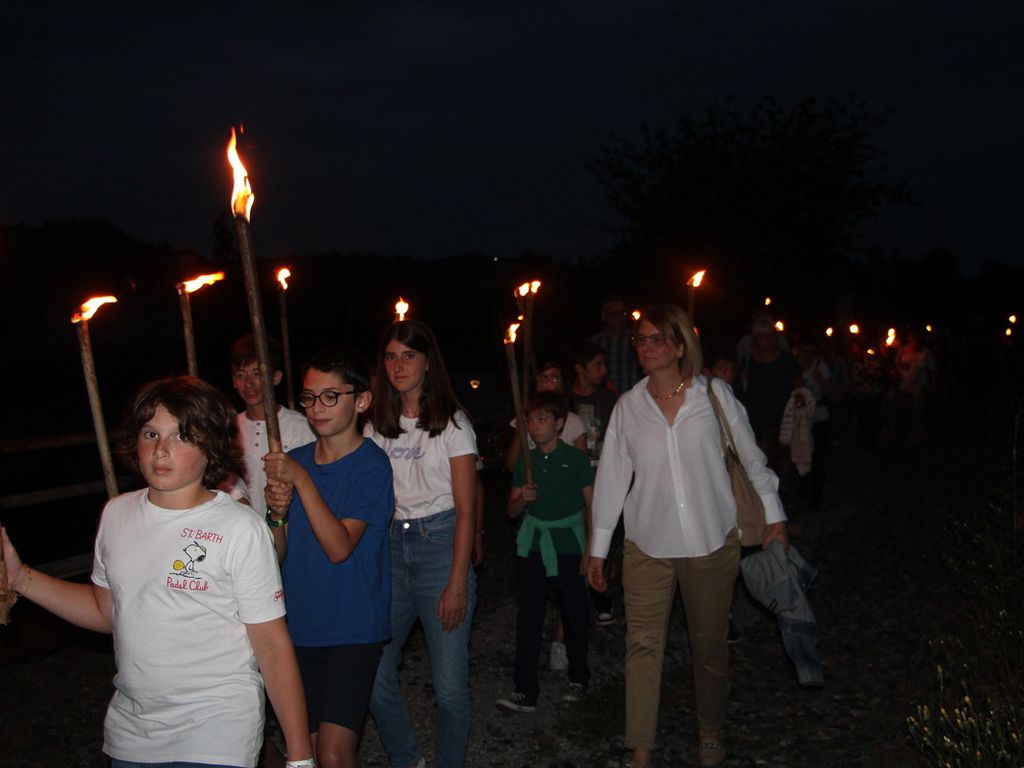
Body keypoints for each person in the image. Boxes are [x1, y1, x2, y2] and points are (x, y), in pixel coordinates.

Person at [1, 376, 314, 768]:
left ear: (211, 446)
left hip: (217, 730)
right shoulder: (116, 513)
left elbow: (271, 644)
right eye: (151, 433)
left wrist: (300, 756)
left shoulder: (240, 528)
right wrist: (21, 578)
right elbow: (106, 611)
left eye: (181, 436)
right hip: (132, 734)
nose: (161, 450)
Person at [587, 305, 788, 768]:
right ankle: (640, 745)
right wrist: (598, 549)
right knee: (642, 646)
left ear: (680, 346)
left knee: (709, 645)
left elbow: (752, 458)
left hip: (710, 542)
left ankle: (711, 730)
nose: (646, 347)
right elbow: (612, 480)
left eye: (657, 338)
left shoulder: (713, 395)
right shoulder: (628, 407)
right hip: (647, 544)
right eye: (640, 339)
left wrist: (774, 516)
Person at [263, 347, 395, 768]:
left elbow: (340, 547)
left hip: (352, 625)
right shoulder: (295, 462)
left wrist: (302, 483)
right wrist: (276, 515)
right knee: (308, 751)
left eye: (330, 396)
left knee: (335, 754)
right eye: (308, 397)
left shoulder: (372, 465)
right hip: (299, 624)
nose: (316, 407)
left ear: (361, 400)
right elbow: (277, 553)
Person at [365, 319, 478, 768]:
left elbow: (467, 508)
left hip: (440, 545)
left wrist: (456, 583)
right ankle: (407, 759)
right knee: (372, 672)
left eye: (408, 356)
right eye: (390, 357)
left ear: (428, 362)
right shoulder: (376, 426)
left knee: (448, 687)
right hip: (391, 547)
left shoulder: (453, 424)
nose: (398, 366)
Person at [496, 391, 595, 713]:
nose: (534, 426)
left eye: (542, 419)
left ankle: (578, 678)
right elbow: (511, 512)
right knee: (529, 617)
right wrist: (521, 499)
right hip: (534, 546)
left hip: (568, 546)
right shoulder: (526, 462)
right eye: (530, 420)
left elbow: (592, 506)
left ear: (559, 423)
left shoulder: (576, 459)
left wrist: (592, 551)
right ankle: (525, 690)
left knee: (574, 614)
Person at [230, 333, 315, 516]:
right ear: (234, 381)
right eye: (241, 375)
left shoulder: (302, 428)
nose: (249, 384)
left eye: (257, 374)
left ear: (276, 377)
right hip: (244, 528)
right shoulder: (229, 429)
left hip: (289, 527)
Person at [504, 361, 587, 473]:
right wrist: (520, 433)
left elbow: (581, 467)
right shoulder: (525, 419)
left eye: (554, 378)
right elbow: (512, 466)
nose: (546, 382)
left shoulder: (574, 422)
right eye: (542, 377)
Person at [568, 340, 619, 461]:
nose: (603, 370)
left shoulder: (609, 399)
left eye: (604, 364)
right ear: (579, 368)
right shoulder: (565, 400)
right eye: (597, 365)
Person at [591, 294, 640, 395]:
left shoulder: (636, 339)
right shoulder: (596, 342)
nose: (618, 318)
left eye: (622, 313)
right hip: (604, 398)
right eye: (613, 314)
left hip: (633, 397)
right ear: (604, 316)